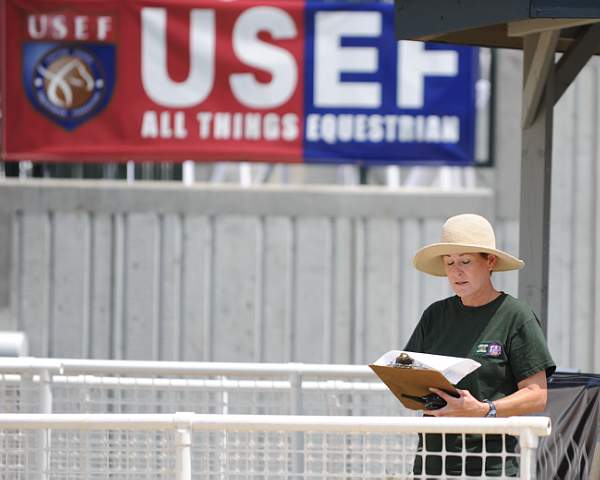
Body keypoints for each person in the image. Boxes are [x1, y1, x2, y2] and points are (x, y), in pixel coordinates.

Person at [405, 213, 555, 478]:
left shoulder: (516, 316)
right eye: (449, 262)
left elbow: (536, 394)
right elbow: (409, 378)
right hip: (431, 462)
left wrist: (484, 410)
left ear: (491, 262)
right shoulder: (434, 315)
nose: (455, 271)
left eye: (465, 261)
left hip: (490, 466)